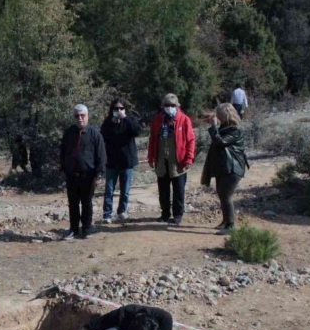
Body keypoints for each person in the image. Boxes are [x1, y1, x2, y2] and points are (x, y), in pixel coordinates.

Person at [201, 103, 250, 234]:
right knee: (222, 195)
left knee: (226, 196)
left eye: (219, 114)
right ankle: (225, 221)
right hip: (223, 167)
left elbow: (220, 142)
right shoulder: (224, 127)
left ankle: (231, 226)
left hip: (233, 168)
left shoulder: (235, 130)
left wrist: (213, 126)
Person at [147, 93, 195, 226]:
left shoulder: (184, 120)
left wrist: (189, 159)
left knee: (179, 189)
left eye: (172, 105)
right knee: (163, 189)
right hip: (162, 160)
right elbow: (152, 140)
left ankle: (178, 214)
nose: (169, 107)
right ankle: (165, 213)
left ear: (178, 106)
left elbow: (190, 140)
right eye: (167, 105)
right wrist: (151, 157)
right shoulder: (157, 120)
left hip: (178, 160)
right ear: (163, 106)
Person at [60, 104, 107, 239]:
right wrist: (62, 169)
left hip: (88, 175)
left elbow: (101, 155)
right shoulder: (68, 133)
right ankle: (73, 230)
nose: (80, 118)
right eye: (77, 116)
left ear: (87, 116)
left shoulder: (94, 133)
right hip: (71, 175)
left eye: (82, 115)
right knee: (73, 203)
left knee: (87, 203)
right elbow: (63, 152)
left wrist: (99, 174)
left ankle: (86, 229)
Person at [100, 98, 141, 224]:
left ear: (125, 110)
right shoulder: (107, 122)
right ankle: (107, 214)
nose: (118, 111)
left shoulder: (130, 120)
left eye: (121, 108)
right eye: (116, 108)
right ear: (112, 110)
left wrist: (125, 119)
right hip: (111, 161)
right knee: (109, 189)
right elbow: (102, 137)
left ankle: (122, 212)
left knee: (125, 190)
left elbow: (137, 131)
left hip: (126, 161)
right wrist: (112, 123)